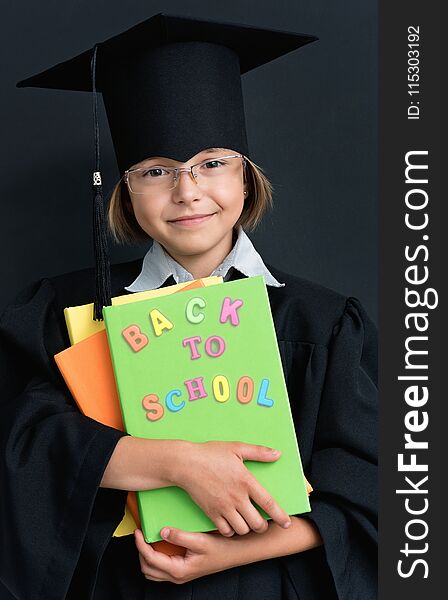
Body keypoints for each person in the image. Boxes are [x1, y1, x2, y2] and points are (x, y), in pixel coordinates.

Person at [0, 12, 377, 600]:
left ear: (246, 179)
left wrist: (243, 547)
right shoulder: (69, 312)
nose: (188, 191)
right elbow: (25, 446)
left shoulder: (322, 322)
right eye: (156, 171)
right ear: (125, 188)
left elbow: (377, 485)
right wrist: (175, 463)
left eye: (213, 162)